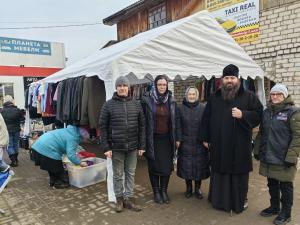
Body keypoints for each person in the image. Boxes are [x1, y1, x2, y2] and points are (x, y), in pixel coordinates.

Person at [200, 64, 263, 213]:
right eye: (227, 78)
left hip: (239, 145)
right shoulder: (214, 97)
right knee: (220, 173)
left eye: (232, 78)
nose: (229, 80)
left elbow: (260, 114)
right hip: (219, 144)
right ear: (222, 79)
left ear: (238, 79)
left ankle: (238, 202)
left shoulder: (249, 96)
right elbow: (206, 119)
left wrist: (244, 115)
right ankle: (219, 201)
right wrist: (205, 138)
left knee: (238, 176)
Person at [254, 84, 300, 225]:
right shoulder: (267, 112)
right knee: (272, 183)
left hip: (284, 157)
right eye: (273, 94)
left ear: (285, 95)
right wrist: (256, 149)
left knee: (285, 186)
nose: (275, 97)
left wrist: (291, 157)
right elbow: (262, 133)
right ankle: (274, 207)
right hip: (269, 155)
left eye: (278, 94)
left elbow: (298, 136)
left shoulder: (293, 112)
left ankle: (286, 213)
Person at [99, 76, 146, 213]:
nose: (122, 88)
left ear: (128, 87)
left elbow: (142, 126)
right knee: (118, 175)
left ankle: (129, 199)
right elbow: (102, 127)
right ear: (116, 88)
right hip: (116, 147)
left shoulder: (136, 104)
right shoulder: (108, 105)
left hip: (132, 146)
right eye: (119, 85)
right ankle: (119, 200)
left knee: (130, 173)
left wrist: (142, 146)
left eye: (124, 85)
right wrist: (106, 147)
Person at [141, 75, 181, 204]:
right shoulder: (147, 100)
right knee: (153, 167)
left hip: (167, 140)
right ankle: (156, 192)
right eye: (160, 85)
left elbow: (177, 121)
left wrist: (178, 138)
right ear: (155, 85)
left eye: (164, 84)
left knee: (166, 168)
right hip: (152, 140)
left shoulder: (172, 101)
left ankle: (164, 191)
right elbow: (142, 122)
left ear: (167, 85)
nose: (162, 87)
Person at [177, 86, 210, 199]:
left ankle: (198, 188)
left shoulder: (203, 108)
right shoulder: (180, 108)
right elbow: (178, 125)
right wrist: (178, 139)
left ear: (197, 96)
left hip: (199, 142)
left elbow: (207, 125)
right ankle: (189, 188)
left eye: (194, 94)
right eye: (189, 94)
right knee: (187, 166)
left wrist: (206, 139)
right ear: (186, 95)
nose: (191, 96)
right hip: (185, 142)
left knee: (199, 166)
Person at [1, 95, 24, 167]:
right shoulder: (17, 110)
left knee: (9, 145)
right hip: (16, 129)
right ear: (12, 101)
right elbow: (22, 119)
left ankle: (13, 160)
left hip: (7, 130)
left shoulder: (2, 111)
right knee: (16, 144)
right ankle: (16, 159)